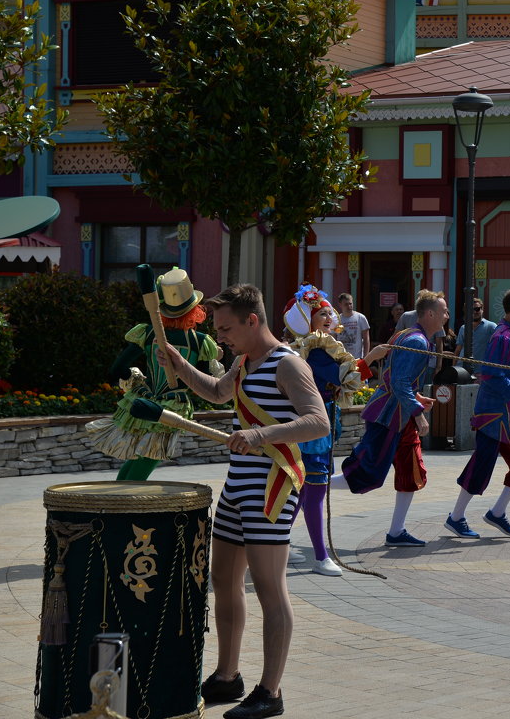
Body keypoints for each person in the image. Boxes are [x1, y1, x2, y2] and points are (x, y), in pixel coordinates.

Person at [158, 284, 328, 719]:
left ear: (253, 320)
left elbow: (318, 422)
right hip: (239, 484)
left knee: (270, 589)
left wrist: (260, 435)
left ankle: (270, 692)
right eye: (217, 329)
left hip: (271, 485)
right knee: (224, 581)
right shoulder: (243, 361)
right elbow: (218, 392)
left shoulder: (288, 364)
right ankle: (226, 676)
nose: (222, 337)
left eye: (227, 328)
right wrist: (180, 365)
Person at [283, 284, 389, 575]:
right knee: (315, 490)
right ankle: (320, 556)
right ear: (308, 321)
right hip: (312, 429)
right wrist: (371, 358)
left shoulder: (320, 347)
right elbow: (344, 378)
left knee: (304, 491)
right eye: (322, 314)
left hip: (316, 423)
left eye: (330, 312)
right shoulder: (316, 350)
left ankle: (282, 542)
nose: (330, 317)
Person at [86, 267, 223, 480]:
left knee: (138, 458)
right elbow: (204, 384)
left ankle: (117, 498)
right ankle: (122, 504)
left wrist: (134, 378)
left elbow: (117, 369)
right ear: (193, 307)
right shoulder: (201, 342)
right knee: (148, 458)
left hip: (146, 399)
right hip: (174, 405)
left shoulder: (148, 334)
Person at [342, 290, 446, 547]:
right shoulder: (417, 341)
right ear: (430, 314)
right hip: (388, 417)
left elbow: (398, 380)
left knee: (411, 473)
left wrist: (418, 398)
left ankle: (396, 532)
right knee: (366, 472)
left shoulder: (410, 336)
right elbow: (398, 382)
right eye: (444, 311)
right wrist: (418, 413)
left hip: (398, 417)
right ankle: (313, 486)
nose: (447, 316)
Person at [445, 287, 510, 539]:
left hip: (509, 411)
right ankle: (456, 517)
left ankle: (497, 512)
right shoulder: (503, 338)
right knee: (482, 464)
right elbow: (491, 377)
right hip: (494, 413)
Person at [454, 297, 497, 374]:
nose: (474, 312)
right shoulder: (463, 328)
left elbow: (498, 348)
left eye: (477, 309)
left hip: (481, 372)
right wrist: (453, 369)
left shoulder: (491, 327)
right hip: (461, 370)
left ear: (482, 310)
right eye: (471, 310)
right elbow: (458, 350)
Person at [333, 293, 370, 360]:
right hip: (341, 358)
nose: (349, 306)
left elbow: (366, 339)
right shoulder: (336, 320)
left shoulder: (360, 318)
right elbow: (334, 339)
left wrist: (366, 357)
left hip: (357, 358)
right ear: (340, 305)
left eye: (350, 303)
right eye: (346, 304)